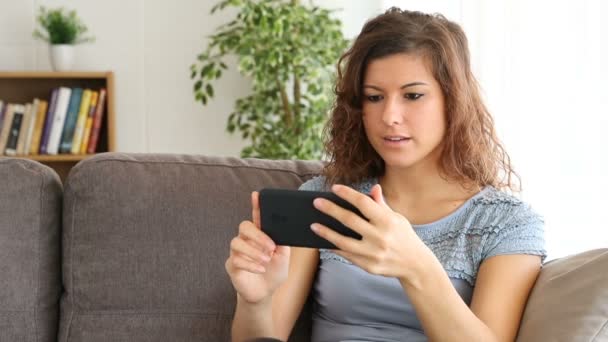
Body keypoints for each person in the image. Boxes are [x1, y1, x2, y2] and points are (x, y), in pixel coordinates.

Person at [225, 7, 546, 342]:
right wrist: (256, 302)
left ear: (454, 101)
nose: (389, 116)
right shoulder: (326, 200)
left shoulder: (508, 224)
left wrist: (416, 266)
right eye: (374, 97)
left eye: (413, 95)